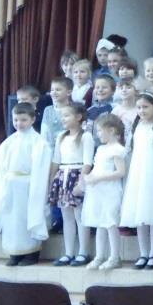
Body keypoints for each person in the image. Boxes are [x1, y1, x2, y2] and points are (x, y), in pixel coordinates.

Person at [0, 102, 52, 266]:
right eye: (16, 120)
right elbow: (2, 168)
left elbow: (40, 169)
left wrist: (36, 190)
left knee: (26, 218)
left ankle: (31, 253)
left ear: (32, 120)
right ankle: (14, 253)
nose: (19, 123)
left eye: (23, 120)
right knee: (11, 219)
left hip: (28, 185)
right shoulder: (9, 142)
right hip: (10, 185)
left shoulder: (38, 142)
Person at [120, 92, 153, 269]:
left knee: (152, 215)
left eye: (145, 107)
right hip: (138, 175)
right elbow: (129, 150)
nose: (142, 110)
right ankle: (143, 253)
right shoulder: (137, 127)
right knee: (139, 214)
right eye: (139, 107)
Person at [48, 103, 93, 267]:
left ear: (78, 117)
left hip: (77, 174)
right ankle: (68, 252)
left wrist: (81, 182)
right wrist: (52, 179)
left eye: (67, 115)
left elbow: (87, 162)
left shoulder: (86, 136)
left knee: (80, 216)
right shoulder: (61, 136)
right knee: (67, 216)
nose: (63, 119)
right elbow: (56, 160)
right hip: (63, 175)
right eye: (62, 116)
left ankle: (83, 252)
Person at [82, 114, 126, 270]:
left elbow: (120, 172)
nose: (98, 134)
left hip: (110, 190)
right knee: (100, 223)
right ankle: (99, 256)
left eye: (100, 131)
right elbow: (97, 168)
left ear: (111, 130)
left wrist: (99, 177)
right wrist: (89, 177)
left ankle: (115, 257)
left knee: (110, 223)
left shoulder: (117, 149)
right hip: (98, 190)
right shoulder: (101, 149)